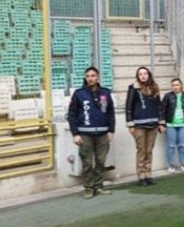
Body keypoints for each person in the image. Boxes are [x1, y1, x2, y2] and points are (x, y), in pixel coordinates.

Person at [67, 67, 115, 199]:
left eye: (93, 75)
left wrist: (111, 130)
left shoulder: (105, 93)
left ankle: (99, 185)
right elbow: (71, 114)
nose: (90, 78)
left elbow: (111, 112)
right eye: (88, 76)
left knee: (101, 161)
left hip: (102, 133)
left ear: (98, 77)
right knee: (87, 162)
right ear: (85, 78)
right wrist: (75, 133)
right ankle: (88, 187)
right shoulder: (79, 94)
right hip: (84, 134)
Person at [126, 66, 165, 186]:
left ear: (149, 75)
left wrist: (161, 122)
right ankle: (141, 176)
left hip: (153, 124)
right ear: (137, 76)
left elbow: (159, 106)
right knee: (141, 150)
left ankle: (148, 174)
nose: (143, 76)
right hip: (139, 124)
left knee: (149, 150)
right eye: (140, 74)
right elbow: (129, 107)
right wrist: (130, 124)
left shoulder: (154, 88)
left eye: (145, 73)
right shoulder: (133, 88)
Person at [162, 78, 184, 173]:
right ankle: (171, 165)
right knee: (171, 146)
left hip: (183, 124)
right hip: (171, 124)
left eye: (177, 85)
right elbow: (162, 110)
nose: (175, 87)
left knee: (182, 145)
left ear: (181, 85)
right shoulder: (167, 96)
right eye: (173, 85)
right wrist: (162, 123)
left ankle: (182, 164)